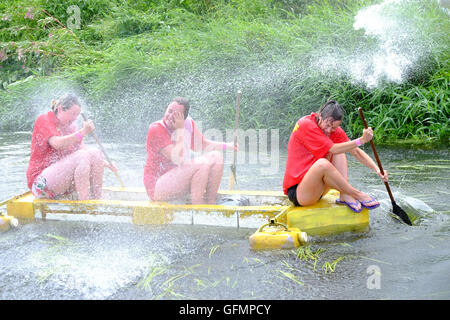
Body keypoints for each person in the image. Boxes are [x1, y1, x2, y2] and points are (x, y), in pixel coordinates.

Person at [282, 100, 388, 212]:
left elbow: (355, 152)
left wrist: (377, 169)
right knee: (323, 163)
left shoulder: (335, 131)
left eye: (333, 128)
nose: (329, 130)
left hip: (318, 189)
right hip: (300, 193)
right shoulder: (305, 124)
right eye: (327, 125)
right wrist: (361, 140)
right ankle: (356, 194)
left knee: (340, 150)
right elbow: (332, 149)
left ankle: (345, 195)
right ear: (320, 116)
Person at [144, 97, 238, 204]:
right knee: (202, 163)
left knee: (217, 157)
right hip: (157, 187)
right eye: (169, 111)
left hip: (180, 178)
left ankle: (210, 202)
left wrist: (228, 146)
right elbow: (177, 158)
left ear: (184, 117)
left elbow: (203, 145)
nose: (170, 116)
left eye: (177, 114)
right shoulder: (156, 129)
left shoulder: (188, 123)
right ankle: (197, 205)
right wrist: (180, 130)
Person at [26, 94, 117, 200]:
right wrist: (82, 132)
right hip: (40, 184)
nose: (75, 118)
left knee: (95, 153)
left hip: (60, 182)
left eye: (77, 115)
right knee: (81, 156)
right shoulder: (44, 120)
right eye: (73, 114)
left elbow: (84, 149)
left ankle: (97, 199)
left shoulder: (71, 128)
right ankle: (85, 203)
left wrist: (106, 163)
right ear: (60, 109)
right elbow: (57, 144)